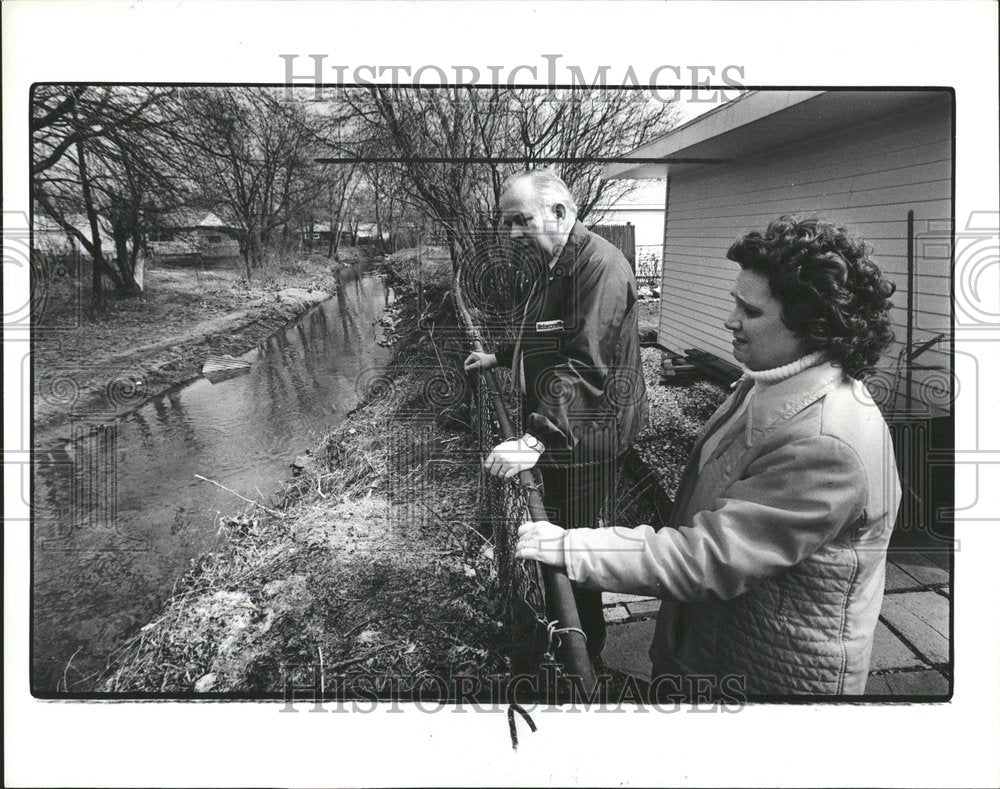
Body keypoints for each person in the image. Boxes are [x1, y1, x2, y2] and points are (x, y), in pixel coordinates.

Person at [516, 215, 902, 696]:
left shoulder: (826, 445)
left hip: (772, 674)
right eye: (734, 301)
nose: (730, 320)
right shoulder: (770, 381)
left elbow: (709, 556)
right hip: (722, 639)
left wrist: (570, 547)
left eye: (752, 312)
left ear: (812, 323)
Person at [464, 169, 648, 662]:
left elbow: (586, 363)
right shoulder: (555, 263)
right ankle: (567, 638)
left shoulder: (599, 267)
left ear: (560, 212)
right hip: (560, 434)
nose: (512, 234)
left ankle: (585, 659)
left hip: (587, 439)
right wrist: (500, 357)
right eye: (507, 223)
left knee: (575, 547)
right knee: (556, 538)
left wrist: (534, 439)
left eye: (521, 220)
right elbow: (545, 336)